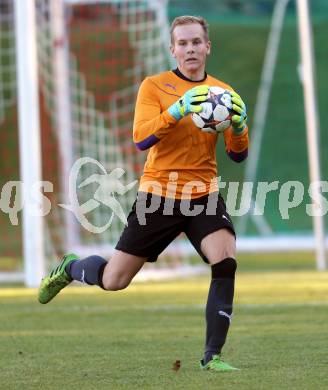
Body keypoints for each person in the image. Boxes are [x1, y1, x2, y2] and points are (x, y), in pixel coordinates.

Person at [38, 15, 249, 372]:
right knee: (114, 280)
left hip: (203, 194)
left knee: (225, 259)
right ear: (172, 49)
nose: (190, 49)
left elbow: (237, 154)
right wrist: (178, 109)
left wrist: (240, 126)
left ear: (207, 47)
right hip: (158, 195)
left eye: (196, 42)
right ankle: (70, 267)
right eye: (182, 43)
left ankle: (212, 357)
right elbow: (141, 138)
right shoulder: (154, 87)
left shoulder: (222, 94)